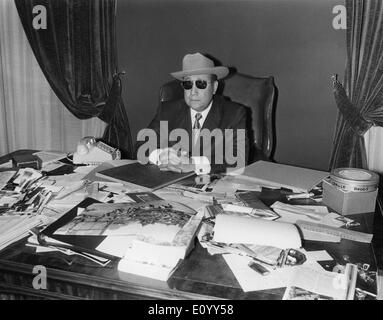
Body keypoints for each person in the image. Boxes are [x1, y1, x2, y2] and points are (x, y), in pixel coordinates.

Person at [136, 52, 249, 175]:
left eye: (201, 84)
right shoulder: (168, 111)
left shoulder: (233, 114)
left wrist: (194, 164)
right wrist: (161, 156)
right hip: (170, 186)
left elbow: (238, 159)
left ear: (215, 87)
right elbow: (141, 146)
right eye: (188, 84)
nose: (193, 92)